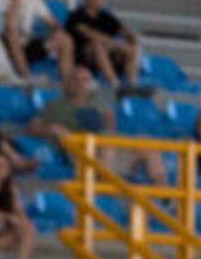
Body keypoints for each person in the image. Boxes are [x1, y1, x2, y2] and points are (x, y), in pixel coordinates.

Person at [32, 66, 169, 186]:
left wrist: (106, 120)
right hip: (82, 152)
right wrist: (53, 129)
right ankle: (105, 188)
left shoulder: (99, 104)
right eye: (76, 80)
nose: (80, 84)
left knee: (146, 143)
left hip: (108, 150)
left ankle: (163, 195)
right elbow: (32, 127)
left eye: (85, 80)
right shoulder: (55, 106)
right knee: (106, 143)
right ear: (67, 84)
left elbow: (111, 127)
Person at [65, 0, 140, 89]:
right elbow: (91, 34)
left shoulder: (106, 17)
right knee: (97, 45)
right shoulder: (76, 16)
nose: (98, 0)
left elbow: (124, 31)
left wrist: (132, 39)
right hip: (84, 58)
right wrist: (116, 45)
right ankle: (115, 85)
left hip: (109, 52)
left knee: (132, 48)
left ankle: (132, 85)